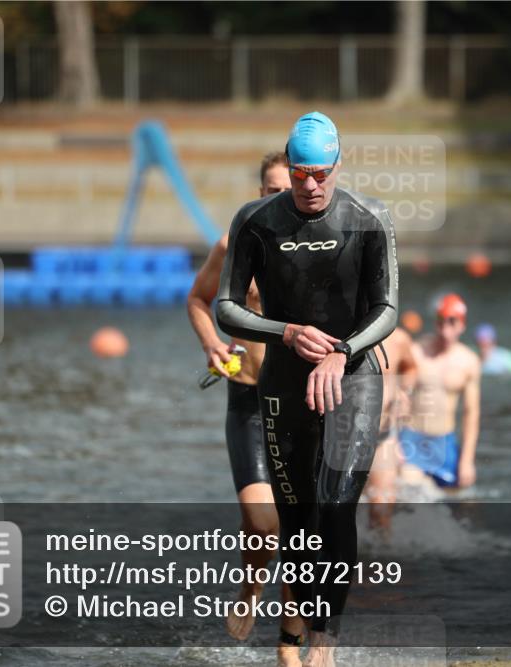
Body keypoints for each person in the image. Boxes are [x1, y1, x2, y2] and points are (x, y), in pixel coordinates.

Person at [216, 111, 398, 667]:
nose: (311, 186)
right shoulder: (255, 221)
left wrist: (341, 353)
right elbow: (225, 308)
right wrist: (286, 332)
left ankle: (325, 638)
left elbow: (387, 309)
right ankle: (290, 642)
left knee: (337, 506)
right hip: (284, 383)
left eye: (321, 173)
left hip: (355, 377)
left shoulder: (368, 219)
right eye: (300, 174)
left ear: (338, 166)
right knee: (296, 520)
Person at [186, 151, 305, 666]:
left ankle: (289, 647)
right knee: (262, 523)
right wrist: (212, 343)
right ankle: (252, 587)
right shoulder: (232, 244)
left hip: (302, 405)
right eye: (269, 190)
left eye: (287, 189)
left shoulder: (316, 249)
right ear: (259, 193)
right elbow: (197, 298)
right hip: (249, 403)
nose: (277, 198)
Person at [400, 294, 481, 489]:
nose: (445, 331)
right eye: (441, 323)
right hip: (413, 438)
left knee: (458, 497)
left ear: (462, 325)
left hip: (445, 442)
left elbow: (471, 413)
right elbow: (398, 397)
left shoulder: (469, 362)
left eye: (452, 323)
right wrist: (393, 441)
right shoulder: (417, 351)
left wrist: (467, 460)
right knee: (412, 489)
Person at [363, 326, 417, 528]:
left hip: (382, 437)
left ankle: (380, 558)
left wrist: (405, 392)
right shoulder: (338, 332)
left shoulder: (399, 338)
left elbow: (411, 367)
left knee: (381, 512)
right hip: (340, 437)